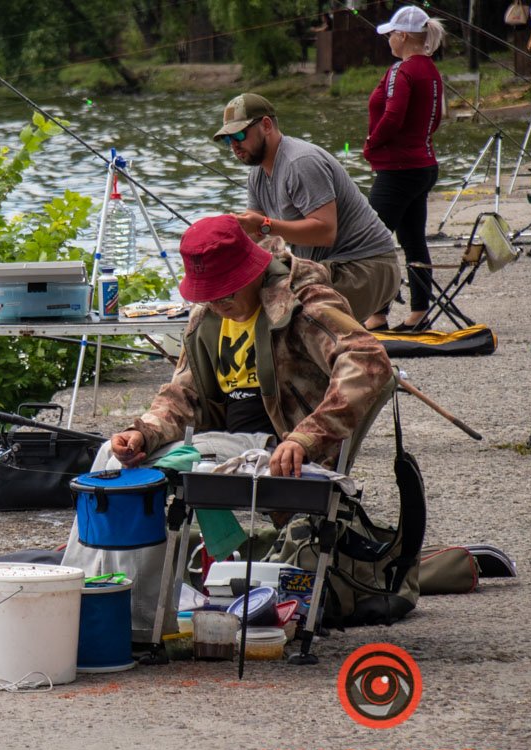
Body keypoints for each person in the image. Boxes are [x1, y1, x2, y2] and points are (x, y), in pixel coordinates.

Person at [62, 215, 394, 642]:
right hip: (223, 444)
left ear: (253, 269)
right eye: (209, 293)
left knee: (135, 480)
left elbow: (369, 360)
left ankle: (131, 618)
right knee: (113, 459)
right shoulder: (206, 318)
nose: (217, 301)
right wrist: (142, 433)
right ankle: (92, 600)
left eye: (227, 290)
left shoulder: (304, 303)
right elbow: (183, 394)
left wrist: (307, 436)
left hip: (277, 447)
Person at [215, 93, 400, 331]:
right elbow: (255, 236)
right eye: (227, 139)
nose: (234, 145)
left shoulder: (300, 162)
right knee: (248, 299)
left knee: (288, 318)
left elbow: (325, 231)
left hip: (365, 266)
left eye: (239, 135)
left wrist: (264, 225)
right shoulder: (257, 175)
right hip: (328, 266)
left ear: (267, 125)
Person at [364, 6, 446, 331]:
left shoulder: (402, 70)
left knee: (371, 238)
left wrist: (372, 143)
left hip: (399, 169)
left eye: (390, 35)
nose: (388, 41)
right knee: (413, 238)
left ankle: (377, 313)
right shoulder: (431, 69)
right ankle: (419, 312)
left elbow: (393, 116)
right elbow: (436, 118)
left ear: (402, 36)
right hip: (424, 164)